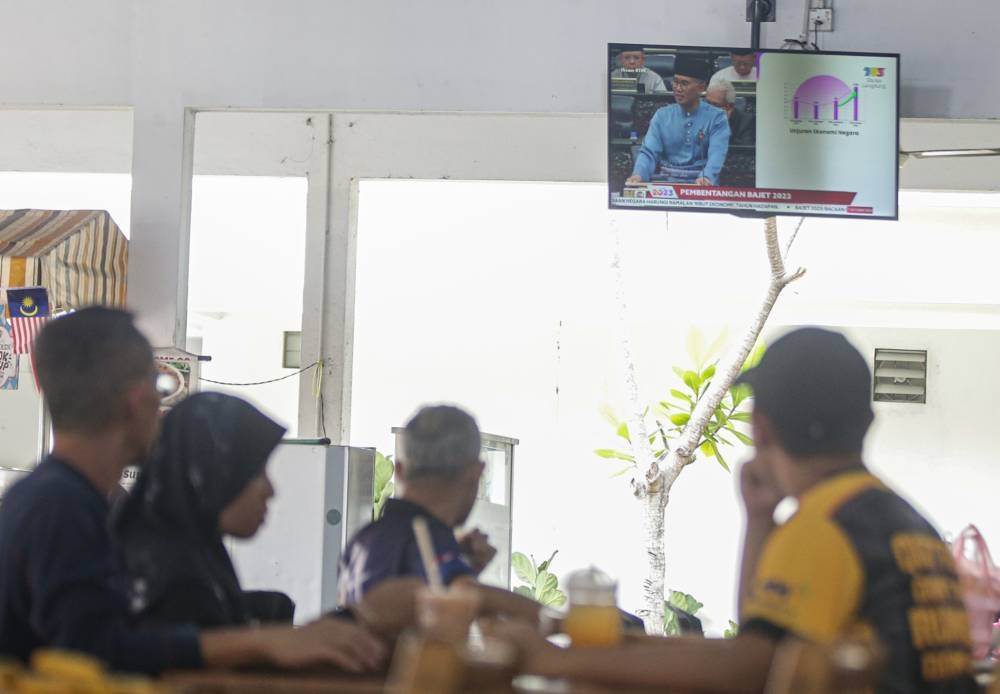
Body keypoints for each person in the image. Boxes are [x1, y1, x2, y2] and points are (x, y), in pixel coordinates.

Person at [497, 328, 978, 693]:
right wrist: (759, 521)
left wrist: (554, 662)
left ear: (761, 430)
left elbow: (749, 669)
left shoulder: (824, 528)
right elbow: (763, 640)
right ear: (866, 423)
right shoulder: (903, 522)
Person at [0, 307, 385, 674]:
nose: (162, 402)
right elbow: (95, 651)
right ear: (137, 402)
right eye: (159, 385)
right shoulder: (63, 509)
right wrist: (260, 642)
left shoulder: (48, 499)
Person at [337, 404, 541, 627]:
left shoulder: (364, 539)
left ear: (400, 470)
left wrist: (464, 564)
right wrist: (562, 621)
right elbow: (466, 594)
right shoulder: (430, 538)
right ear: (477, 473)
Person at [113, 392, 294, 628]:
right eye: (256, 472)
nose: (270, 491)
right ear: (209, 474)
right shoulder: (174, 583)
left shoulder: (192, 554)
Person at [626, 54, 730, 186]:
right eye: (675, 82)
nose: (678, 88)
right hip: (667, 181)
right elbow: (649, 152)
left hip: (701, 182)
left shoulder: (717, 117)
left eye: (684, 83)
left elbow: (717, 153)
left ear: (701, 88)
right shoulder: (662, 115)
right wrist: (638, 175)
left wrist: (707, 177)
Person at [705, 78, 755, 146]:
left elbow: (745, 154)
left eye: (715, 105)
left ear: (729, 107)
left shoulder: (746, 122)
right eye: (707, 103)